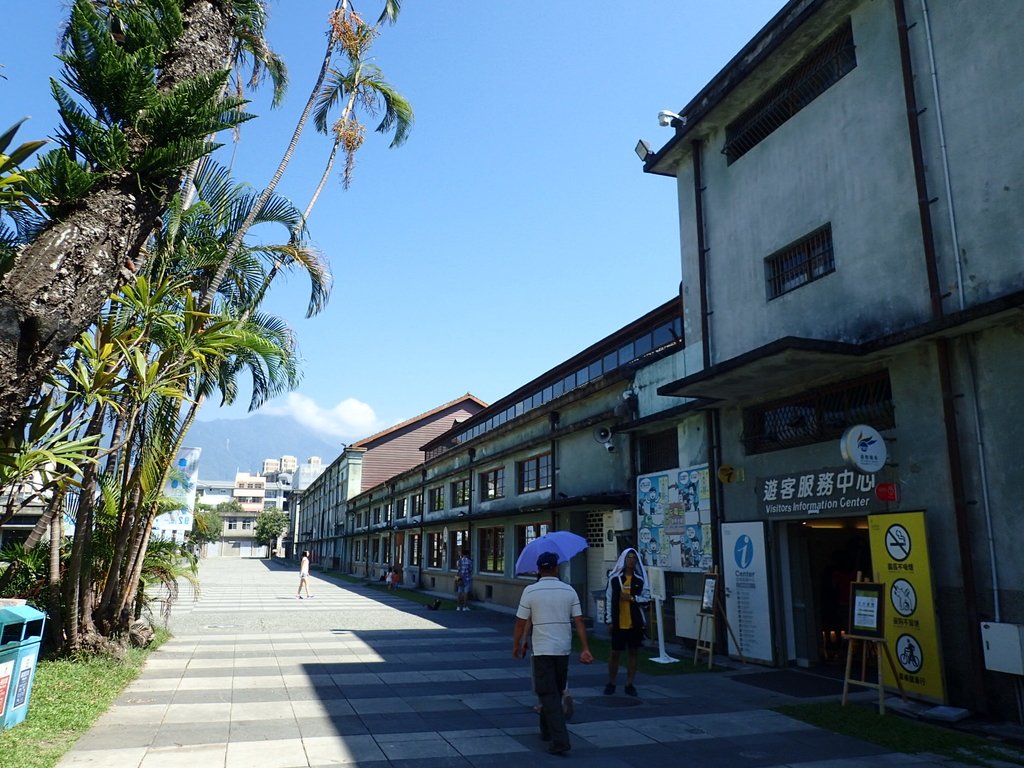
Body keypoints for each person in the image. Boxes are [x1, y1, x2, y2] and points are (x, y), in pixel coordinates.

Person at [513, 551, 593, 756]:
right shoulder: (569, 590)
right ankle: (545, 730)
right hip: (563, 648)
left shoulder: (530, 591)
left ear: (538, 570)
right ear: (557, 568)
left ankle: (560, 740)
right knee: (553, 690)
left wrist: (518, 644)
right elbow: (579, 621)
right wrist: (585, 648)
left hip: (542, 649)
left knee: (547, 693)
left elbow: (521, 622)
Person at [603, 547, 650, 696]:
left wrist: (632, 598)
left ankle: (630, 684)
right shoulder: (615, 579)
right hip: (619, 622)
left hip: (634, 623)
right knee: (615, 653)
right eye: (628, 558)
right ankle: (611, 682)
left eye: (634, 558)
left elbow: (647, 599)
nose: (631, 560)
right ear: (623, 560)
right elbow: (609, 599)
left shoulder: (640, 580)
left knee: (633, 652)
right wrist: (609, 621)